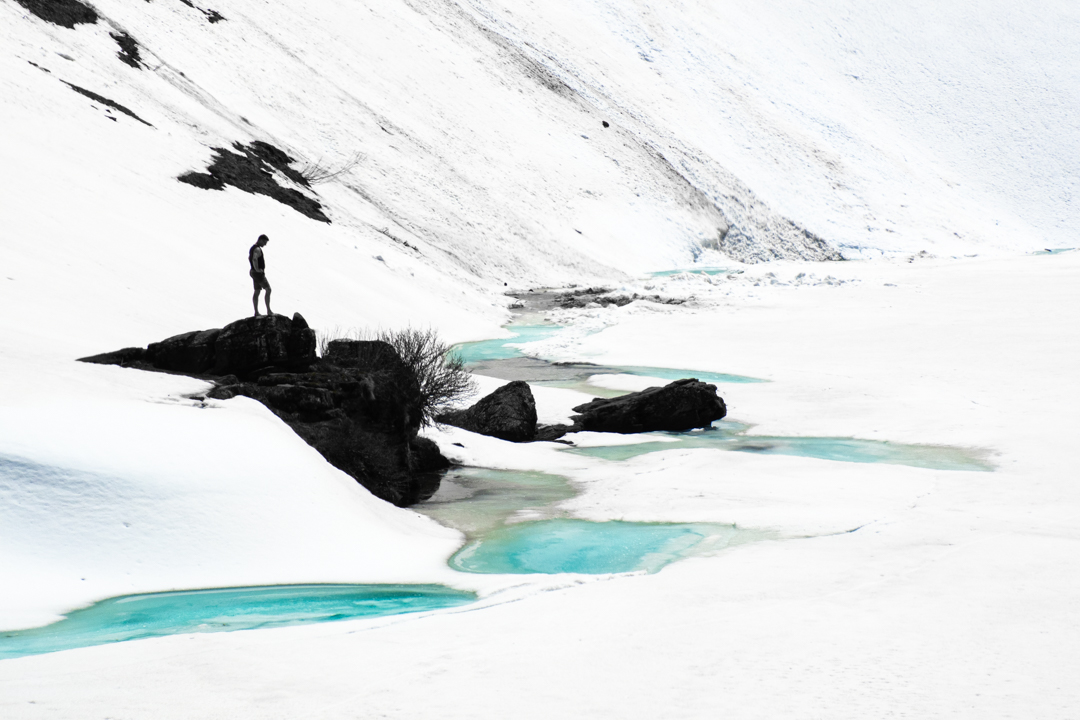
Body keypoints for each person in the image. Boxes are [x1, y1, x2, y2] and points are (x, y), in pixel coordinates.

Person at [248, 234, 272, 316]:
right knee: (268, 289)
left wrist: (254, 268)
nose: (265, 244)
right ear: (260, 240)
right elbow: (254, 259)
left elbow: (249, 258)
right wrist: (257, 269)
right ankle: (268, 310)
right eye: (264, 242)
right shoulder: (257, 249)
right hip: (258, 273)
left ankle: (256, 312)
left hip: (253, 272)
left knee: (257, 290)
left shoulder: (253, 248)